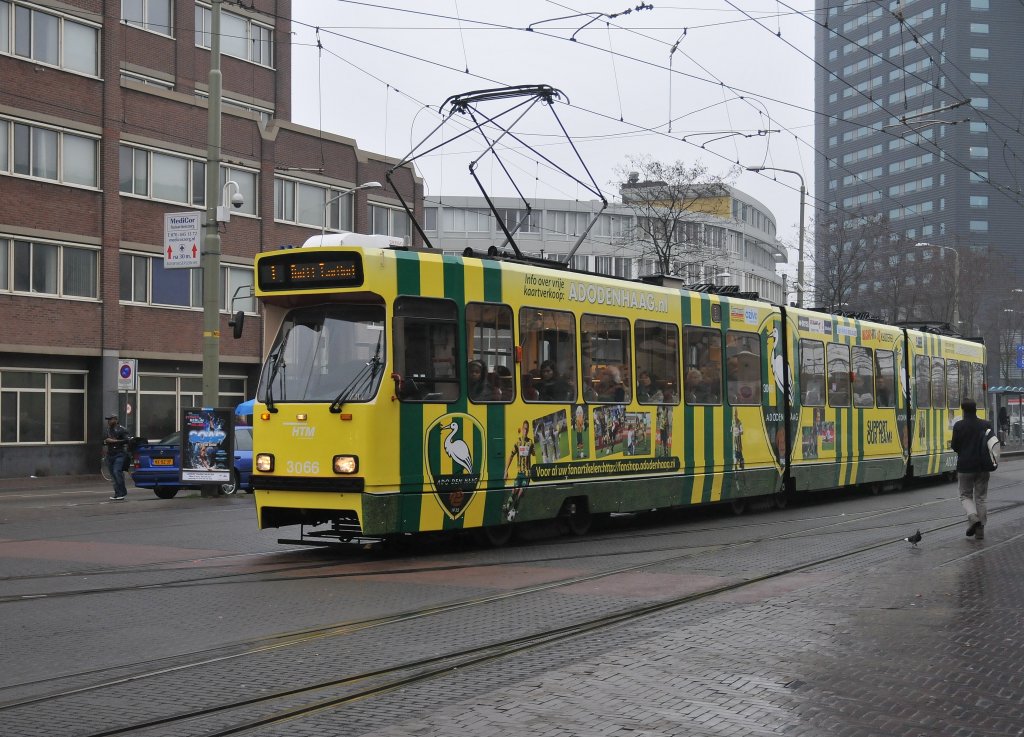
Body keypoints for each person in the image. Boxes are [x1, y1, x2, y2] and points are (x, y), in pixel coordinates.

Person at [951, 399, 993, 540]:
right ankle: (980, 531)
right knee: (981, 498)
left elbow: (954, 446)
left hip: (965, 467)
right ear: (976, 409)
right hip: (983, 467)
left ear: (963, 410)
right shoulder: (985, 424)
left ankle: (973, 517)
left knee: (965, 495)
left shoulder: (959, 426)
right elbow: (993, 444)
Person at [104, 414, 130, 501]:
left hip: (120, 454)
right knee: (112, 476)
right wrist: (105, 441)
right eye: (108, 420)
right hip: (110, 454)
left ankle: (122, 492)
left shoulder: (122, 429)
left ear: (115, 420)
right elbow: (103, 440)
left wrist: (115, 441)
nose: (108, 421)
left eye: (110, 419)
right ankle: (117, 493)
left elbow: (127, 440)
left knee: (117, 471)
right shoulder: (108, 430)